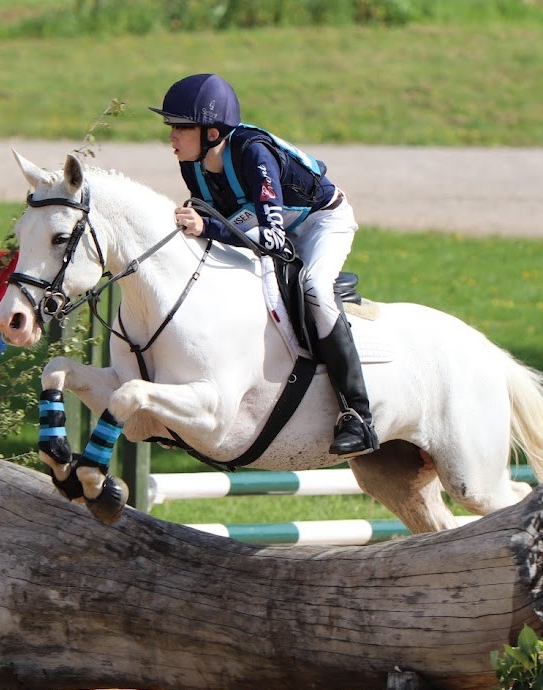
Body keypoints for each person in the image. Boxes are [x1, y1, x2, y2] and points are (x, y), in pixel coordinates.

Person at [150, 73, 379, 458]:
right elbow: (224, 222)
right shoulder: (193, 163)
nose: (171, 136)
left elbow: (270, 238)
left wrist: (207, 227)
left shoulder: (253, 154)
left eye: (181, 127)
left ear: (211, 133)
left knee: (315, 289)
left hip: (321, 223)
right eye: (171, 126)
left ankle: (358, 417)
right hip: (270, 227)